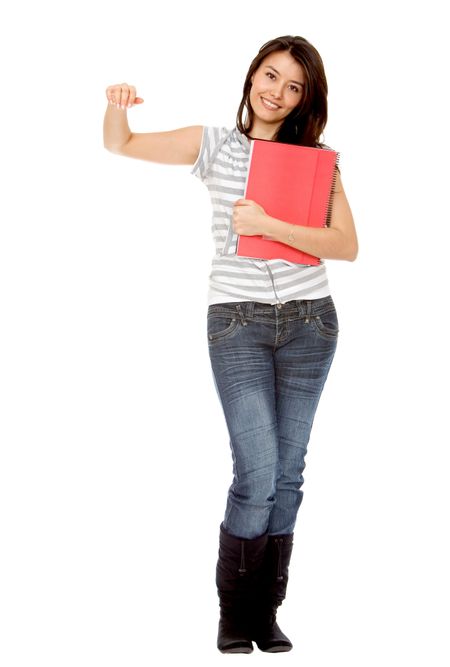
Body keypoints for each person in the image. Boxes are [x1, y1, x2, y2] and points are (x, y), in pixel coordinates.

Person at [103, 34, 358, 654]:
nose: (277, 92)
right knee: (258, 470)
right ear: (252, 77)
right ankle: (232, 613)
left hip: (310, 323)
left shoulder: (319, 160)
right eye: (270, 76)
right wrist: (117, 103)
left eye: (293, 85)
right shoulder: (216, 144)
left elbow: (346, 245)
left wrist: (268, 224)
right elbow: (121, 142)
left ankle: (264, 614)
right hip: (237, 324)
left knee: (289, 474)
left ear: (305, 99)